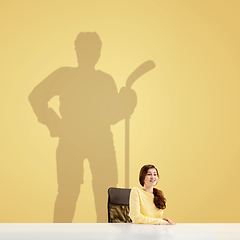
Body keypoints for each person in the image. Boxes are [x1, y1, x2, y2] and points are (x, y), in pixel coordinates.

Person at [29, 32, 137, 223]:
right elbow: (36, 97)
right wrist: (54, 124)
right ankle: (59, 236)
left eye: (93, 50)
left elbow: (111, 116)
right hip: (71, 141)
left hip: (100, 142)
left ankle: (110, 236)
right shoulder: (65, 75)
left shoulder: (104, 80)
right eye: (85, 49)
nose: (89, 54)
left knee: (108, 194)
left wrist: (126, 103)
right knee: (68, 194)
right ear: (77, 51)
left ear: (98, 52)